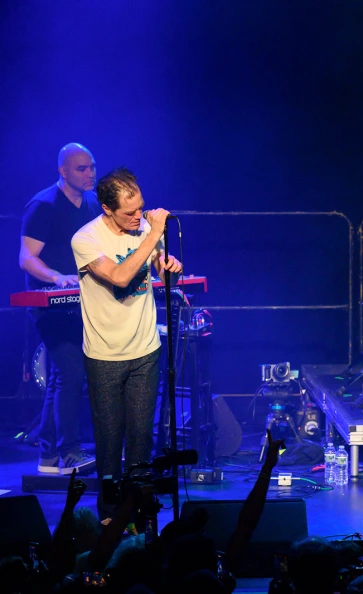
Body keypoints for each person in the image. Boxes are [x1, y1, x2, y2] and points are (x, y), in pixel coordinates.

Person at [71, 167, 183, 519]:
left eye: (141, 209)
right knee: (109, 437)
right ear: (107, 209)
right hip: (105, 353)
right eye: (129, 213)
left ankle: (137, 512)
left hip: (145, 349)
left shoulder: (147, 230)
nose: (139, 217)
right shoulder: (85, 239)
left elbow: (158, 266)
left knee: (140, 436)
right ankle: (108, 513)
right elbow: (120, 277)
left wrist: (169, 264)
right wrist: (154, 236)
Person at [20, 143, 101, 475]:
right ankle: (68, 453)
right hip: (49, 306)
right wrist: (57, 277)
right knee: (70, 373)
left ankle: (49, 455)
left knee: (61, 377)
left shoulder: (93, 203)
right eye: (81, 168)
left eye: (92, 166)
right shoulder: (44, 206)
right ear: (63, 171)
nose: (90, 173)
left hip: (81, 303)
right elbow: (26, 258)